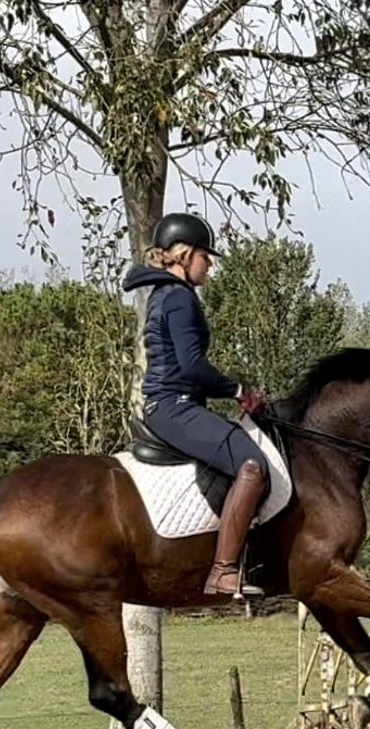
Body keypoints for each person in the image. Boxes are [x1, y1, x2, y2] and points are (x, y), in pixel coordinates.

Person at [122, 212, 268, 597]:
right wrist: (238, 390)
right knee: (252, 467)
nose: (211, 264)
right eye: (206, 256)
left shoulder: (166, 294)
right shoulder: (179, 298)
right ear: (185, 256)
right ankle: (222, 571)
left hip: (173, 403)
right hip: (174, 406)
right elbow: (192, 365)